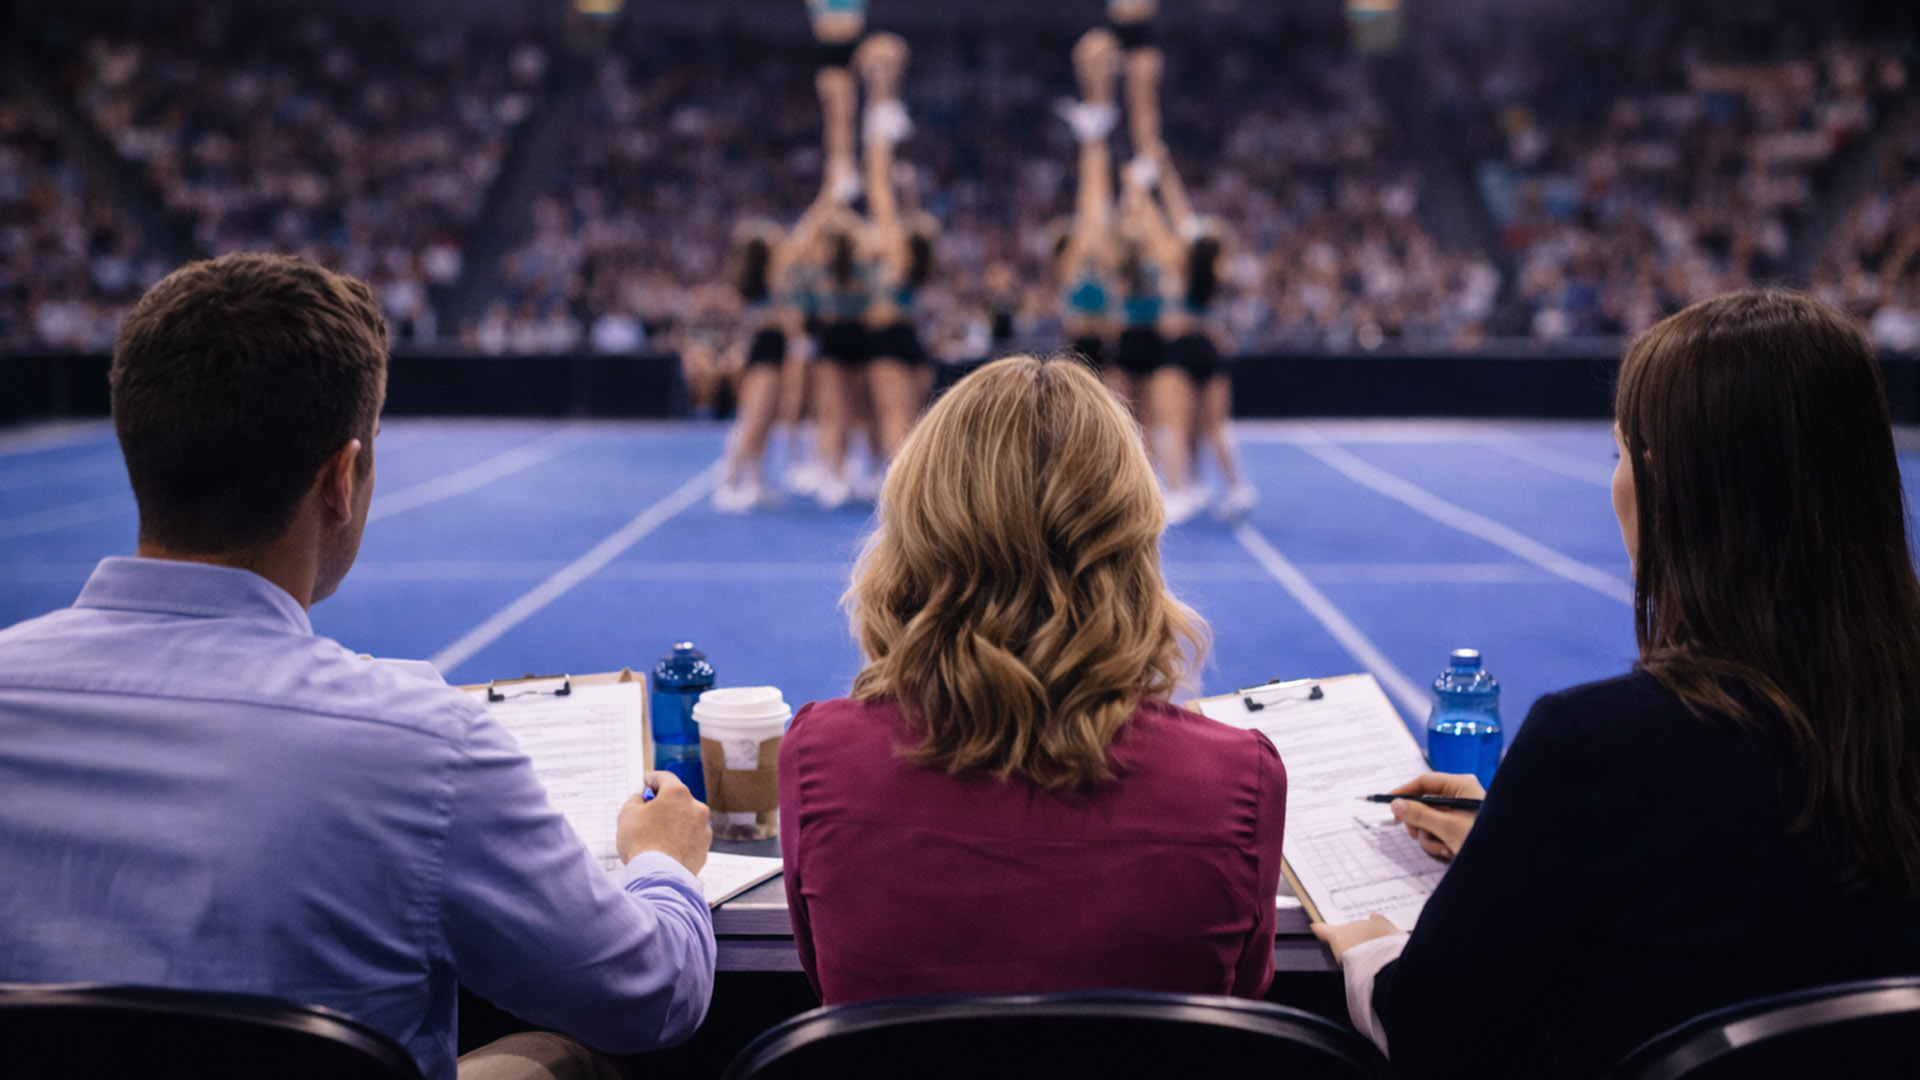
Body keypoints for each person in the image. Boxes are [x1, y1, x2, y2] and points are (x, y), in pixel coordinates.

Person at [0, 254, 717, 1080]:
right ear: (341, 480)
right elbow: (649, 997)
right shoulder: (422, 746)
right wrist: (661, 861)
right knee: (566, 1057)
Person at [1313, 290, 1920, 1078]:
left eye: (1620, 455)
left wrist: (1372, 948)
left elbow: (1429, 1028)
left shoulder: (1599, 750)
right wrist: (1518, 840)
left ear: (1669, 485)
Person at [779, 353, 1287, 1005]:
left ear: (916, 532)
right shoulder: (1238, 782)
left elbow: (825, 977)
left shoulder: (822, 757)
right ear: (1129, 538)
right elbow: (1244, 998)